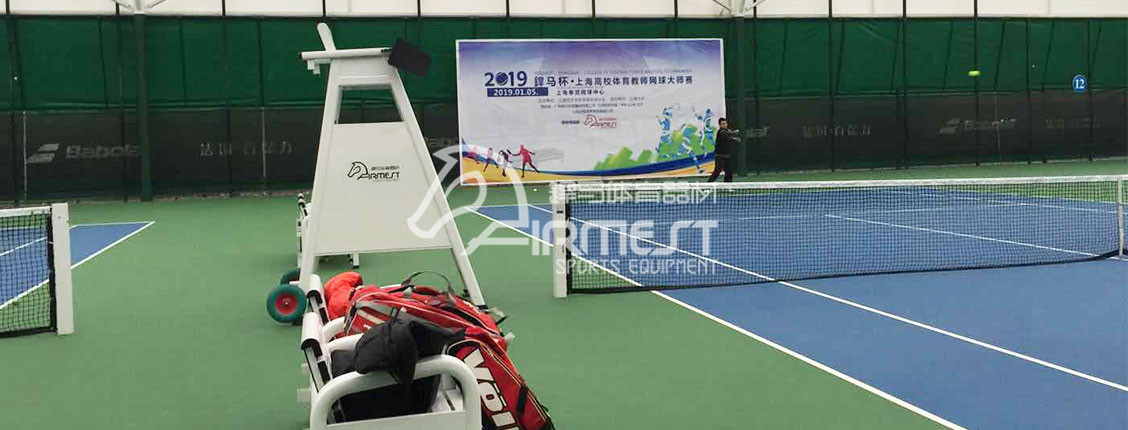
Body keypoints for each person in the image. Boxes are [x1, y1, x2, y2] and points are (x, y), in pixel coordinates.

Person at [708, 118, 739, 183]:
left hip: (727, 155)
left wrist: (733, 135)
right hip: (720, 155)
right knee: (717, 170)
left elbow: (729, 134)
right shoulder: (721, 132)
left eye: (725, 123)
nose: (725, 125)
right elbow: (727, 135)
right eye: (723, 124)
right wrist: (734, 136)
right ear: (720, 125)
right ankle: (709, 184)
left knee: (729, 171)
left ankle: (727, 185)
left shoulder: (727, 130)